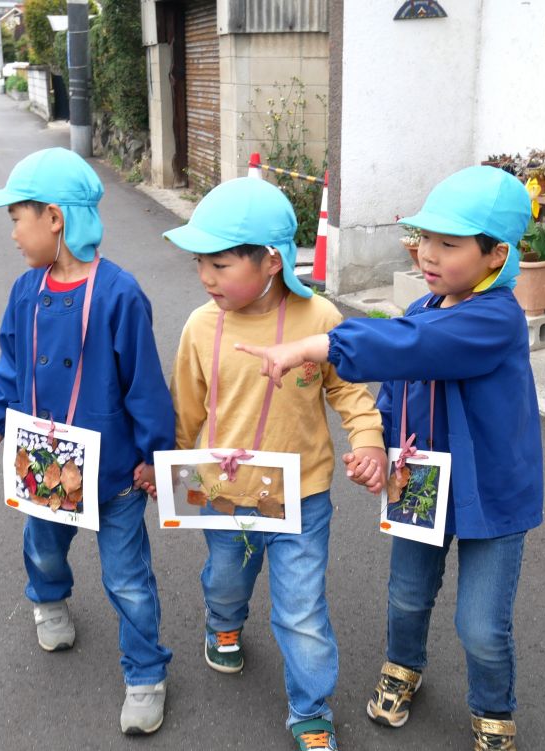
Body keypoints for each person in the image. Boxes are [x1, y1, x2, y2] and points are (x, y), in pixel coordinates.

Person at [237, 166, 543, 751]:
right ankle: (404, 665)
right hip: (422, 483)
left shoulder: (496, 318)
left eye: (448, 244)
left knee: (481, 626)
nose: (427, 253)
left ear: (495, 255)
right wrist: (375, 449)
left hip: (493, 494)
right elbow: (400, 384)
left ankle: (493, 709)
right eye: (424, 238)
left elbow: (411, 347)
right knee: (406, 594)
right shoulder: (431, 303)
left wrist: (314, 344)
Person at [0, 147, 174, 735]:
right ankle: (48, 597)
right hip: (45, 463)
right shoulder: (26, 291)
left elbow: (146, 386)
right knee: (44, 547)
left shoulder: (120, 294)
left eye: (16, 219)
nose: (13, 235)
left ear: (54, 218)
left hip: (116, 473)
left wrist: (154, 457)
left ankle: (146, 674)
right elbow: (10, 365)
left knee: (128, 579)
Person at [161, 177, 387, 751]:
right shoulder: (200, 327)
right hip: (222, 490)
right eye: (199, 264)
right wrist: (159, 465)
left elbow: (350, 392)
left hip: (303, 495)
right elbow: (185, 411)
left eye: (219, 263)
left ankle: (310, 709)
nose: (206, 277)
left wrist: (368, 441)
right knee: (227, 577)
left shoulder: (320, 318)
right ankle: (223, 623)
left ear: (270, 261)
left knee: (302, 609)